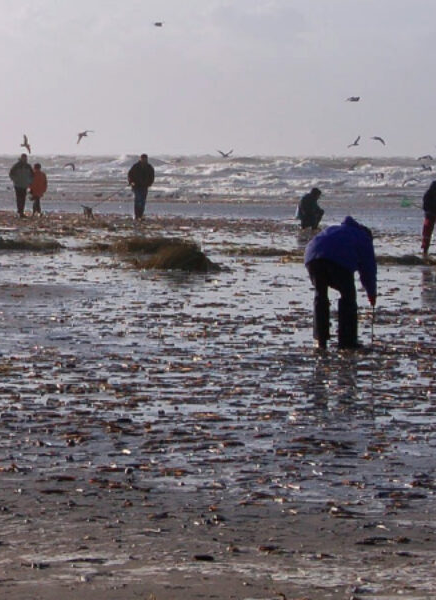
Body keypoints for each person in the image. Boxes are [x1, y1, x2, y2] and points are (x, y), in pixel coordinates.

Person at [304, 216, 377, 350]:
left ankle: (320, 340)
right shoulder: (364, 238)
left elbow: (317, 242)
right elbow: (368, 269)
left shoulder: (335, 229)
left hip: (312, 257)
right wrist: (371, 294)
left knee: (320, 295)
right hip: (337, 260)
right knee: (348, 297)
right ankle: (347, 342)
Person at [127, 154, 155, 220]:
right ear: (140, 159)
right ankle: (137, 215)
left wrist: (149, 183)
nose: (144, 160)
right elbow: (130, 175)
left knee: (142, 201)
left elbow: (152, 176)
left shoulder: (149, 167)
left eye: (145, 158)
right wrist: (131, 182)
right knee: (138, 200)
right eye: (142, 158)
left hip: (144, 186)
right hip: (136, 186)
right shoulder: (135, 166)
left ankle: (140, 215)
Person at [421, 181, 436, 255]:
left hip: (430, 213)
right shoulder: (429, 193)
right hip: (430, 214)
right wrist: (428, 210)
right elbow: (426, 203)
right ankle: (425, 249)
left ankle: (425, 248)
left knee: (427, 231)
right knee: (427, 231)